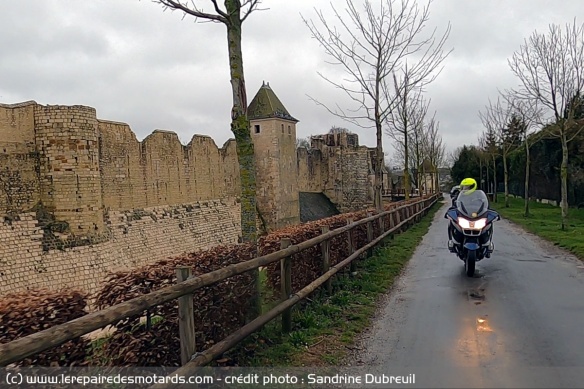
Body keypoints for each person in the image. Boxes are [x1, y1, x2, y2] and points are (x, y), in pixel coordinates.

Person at [447, 178, 478, 252]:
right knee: (451, 223)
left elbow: (484, 204)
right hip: (463, 215)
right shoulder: (459, 195)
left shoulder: (478, 195)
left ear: (473, 187)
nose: (465, 189)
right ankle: (452, 242)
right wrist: (452, 209)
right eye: (464, 187)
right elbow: (455, 203)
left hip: (476, 216)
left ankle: (487, 242)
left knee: (488, 223)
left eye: (467, 187)